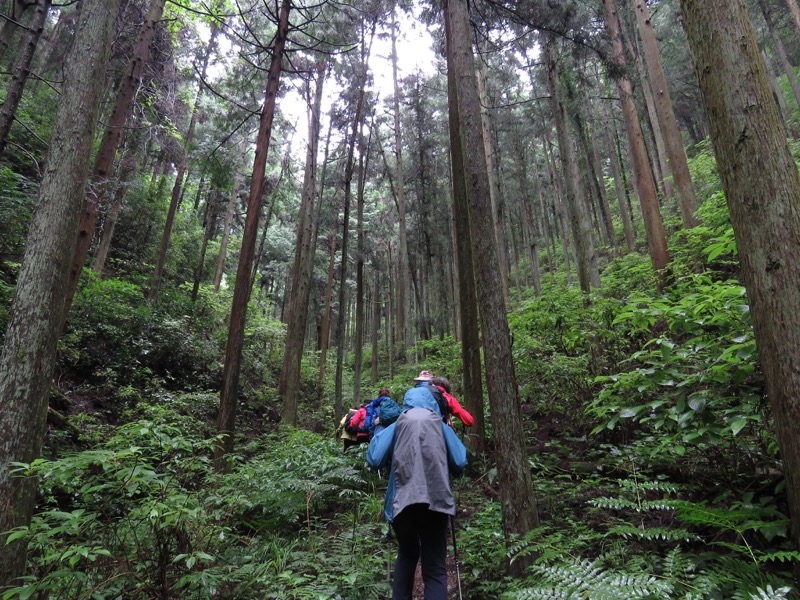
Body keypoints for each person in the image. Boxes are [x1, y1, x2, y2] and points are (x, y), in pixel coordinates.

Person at [367, 370, 468, 600]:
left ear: (407, 401)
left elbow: (374, 459)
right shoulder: (439, 424)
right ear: (433, 401)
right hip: (437, 500)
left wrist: (380, 430)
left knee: (407, 554)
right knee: (435, 569)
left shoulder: (399, 422)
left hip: (403, 502)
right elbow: (461, 460)